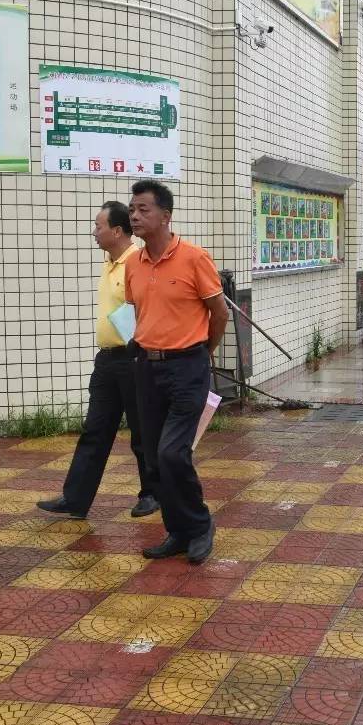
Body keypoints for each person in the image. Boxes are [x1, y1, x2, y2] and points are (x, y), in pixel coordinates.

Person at [126, 180, 228, 564]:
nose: (135, 215)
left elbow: (219, 314)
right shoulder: (134, 263)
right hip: (147, 368)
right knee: (153, 457)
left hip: (188, 366)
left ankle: (200, 525)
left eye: (143, 209)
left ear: (165, 216)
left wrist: (202, 353)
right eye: (132, 209)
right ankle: (178, 531)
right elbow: (140, 312)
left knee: (172, 452)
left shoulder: (194, 258)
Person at [37, 202, 160, 521]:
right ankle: (75, 498)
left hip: (134, 360)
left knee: (142, 432)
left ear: (117, 231)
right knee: (94, 430)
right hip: (107, 362)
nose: (94, 232)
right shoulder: (110, 263)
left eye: (98, 226)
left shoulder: (138, 261)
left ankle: (152, 493)